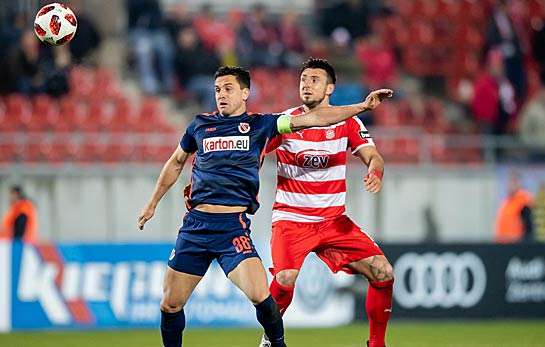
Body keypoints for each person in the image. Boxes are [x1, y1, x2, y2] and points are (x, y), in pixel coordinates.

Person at [137, 66, 392, 347]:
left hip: (247, 226)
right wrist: (152, 203)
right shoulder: (200, 125)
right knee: (170, 304)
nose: (221, 95)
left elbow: (320, 120)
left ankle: (279, 344)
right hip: (210, 225)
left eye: (228, 89)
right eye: (217, 90)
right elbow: (176, 162)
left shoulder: (263, 125)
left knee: (264, 296)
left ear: (245, 93)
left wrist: (362, 108)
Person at [260, 59, 393, 347]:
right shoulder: (285, 122)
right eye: (303, 79)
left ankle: (376, 344)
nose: (306, 84)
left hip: (334, 222)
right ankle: (270, 338)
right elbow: (256, 154)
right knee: (284, 279)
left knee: (383, 272)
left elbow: (374, 156)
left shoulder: (348, 122)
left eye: (314, 80)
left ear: (330, 87)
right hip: (291, 220)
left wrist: (375, 170)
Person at [495, 172, 534, 243]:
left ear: (519, 184)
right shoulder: (507, 202)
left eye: (514, 182)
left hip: (516, 245)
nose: (510, 185)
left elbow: (529, 228)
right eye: (509, 182)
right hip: (504, 243)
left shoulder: (523, 201)